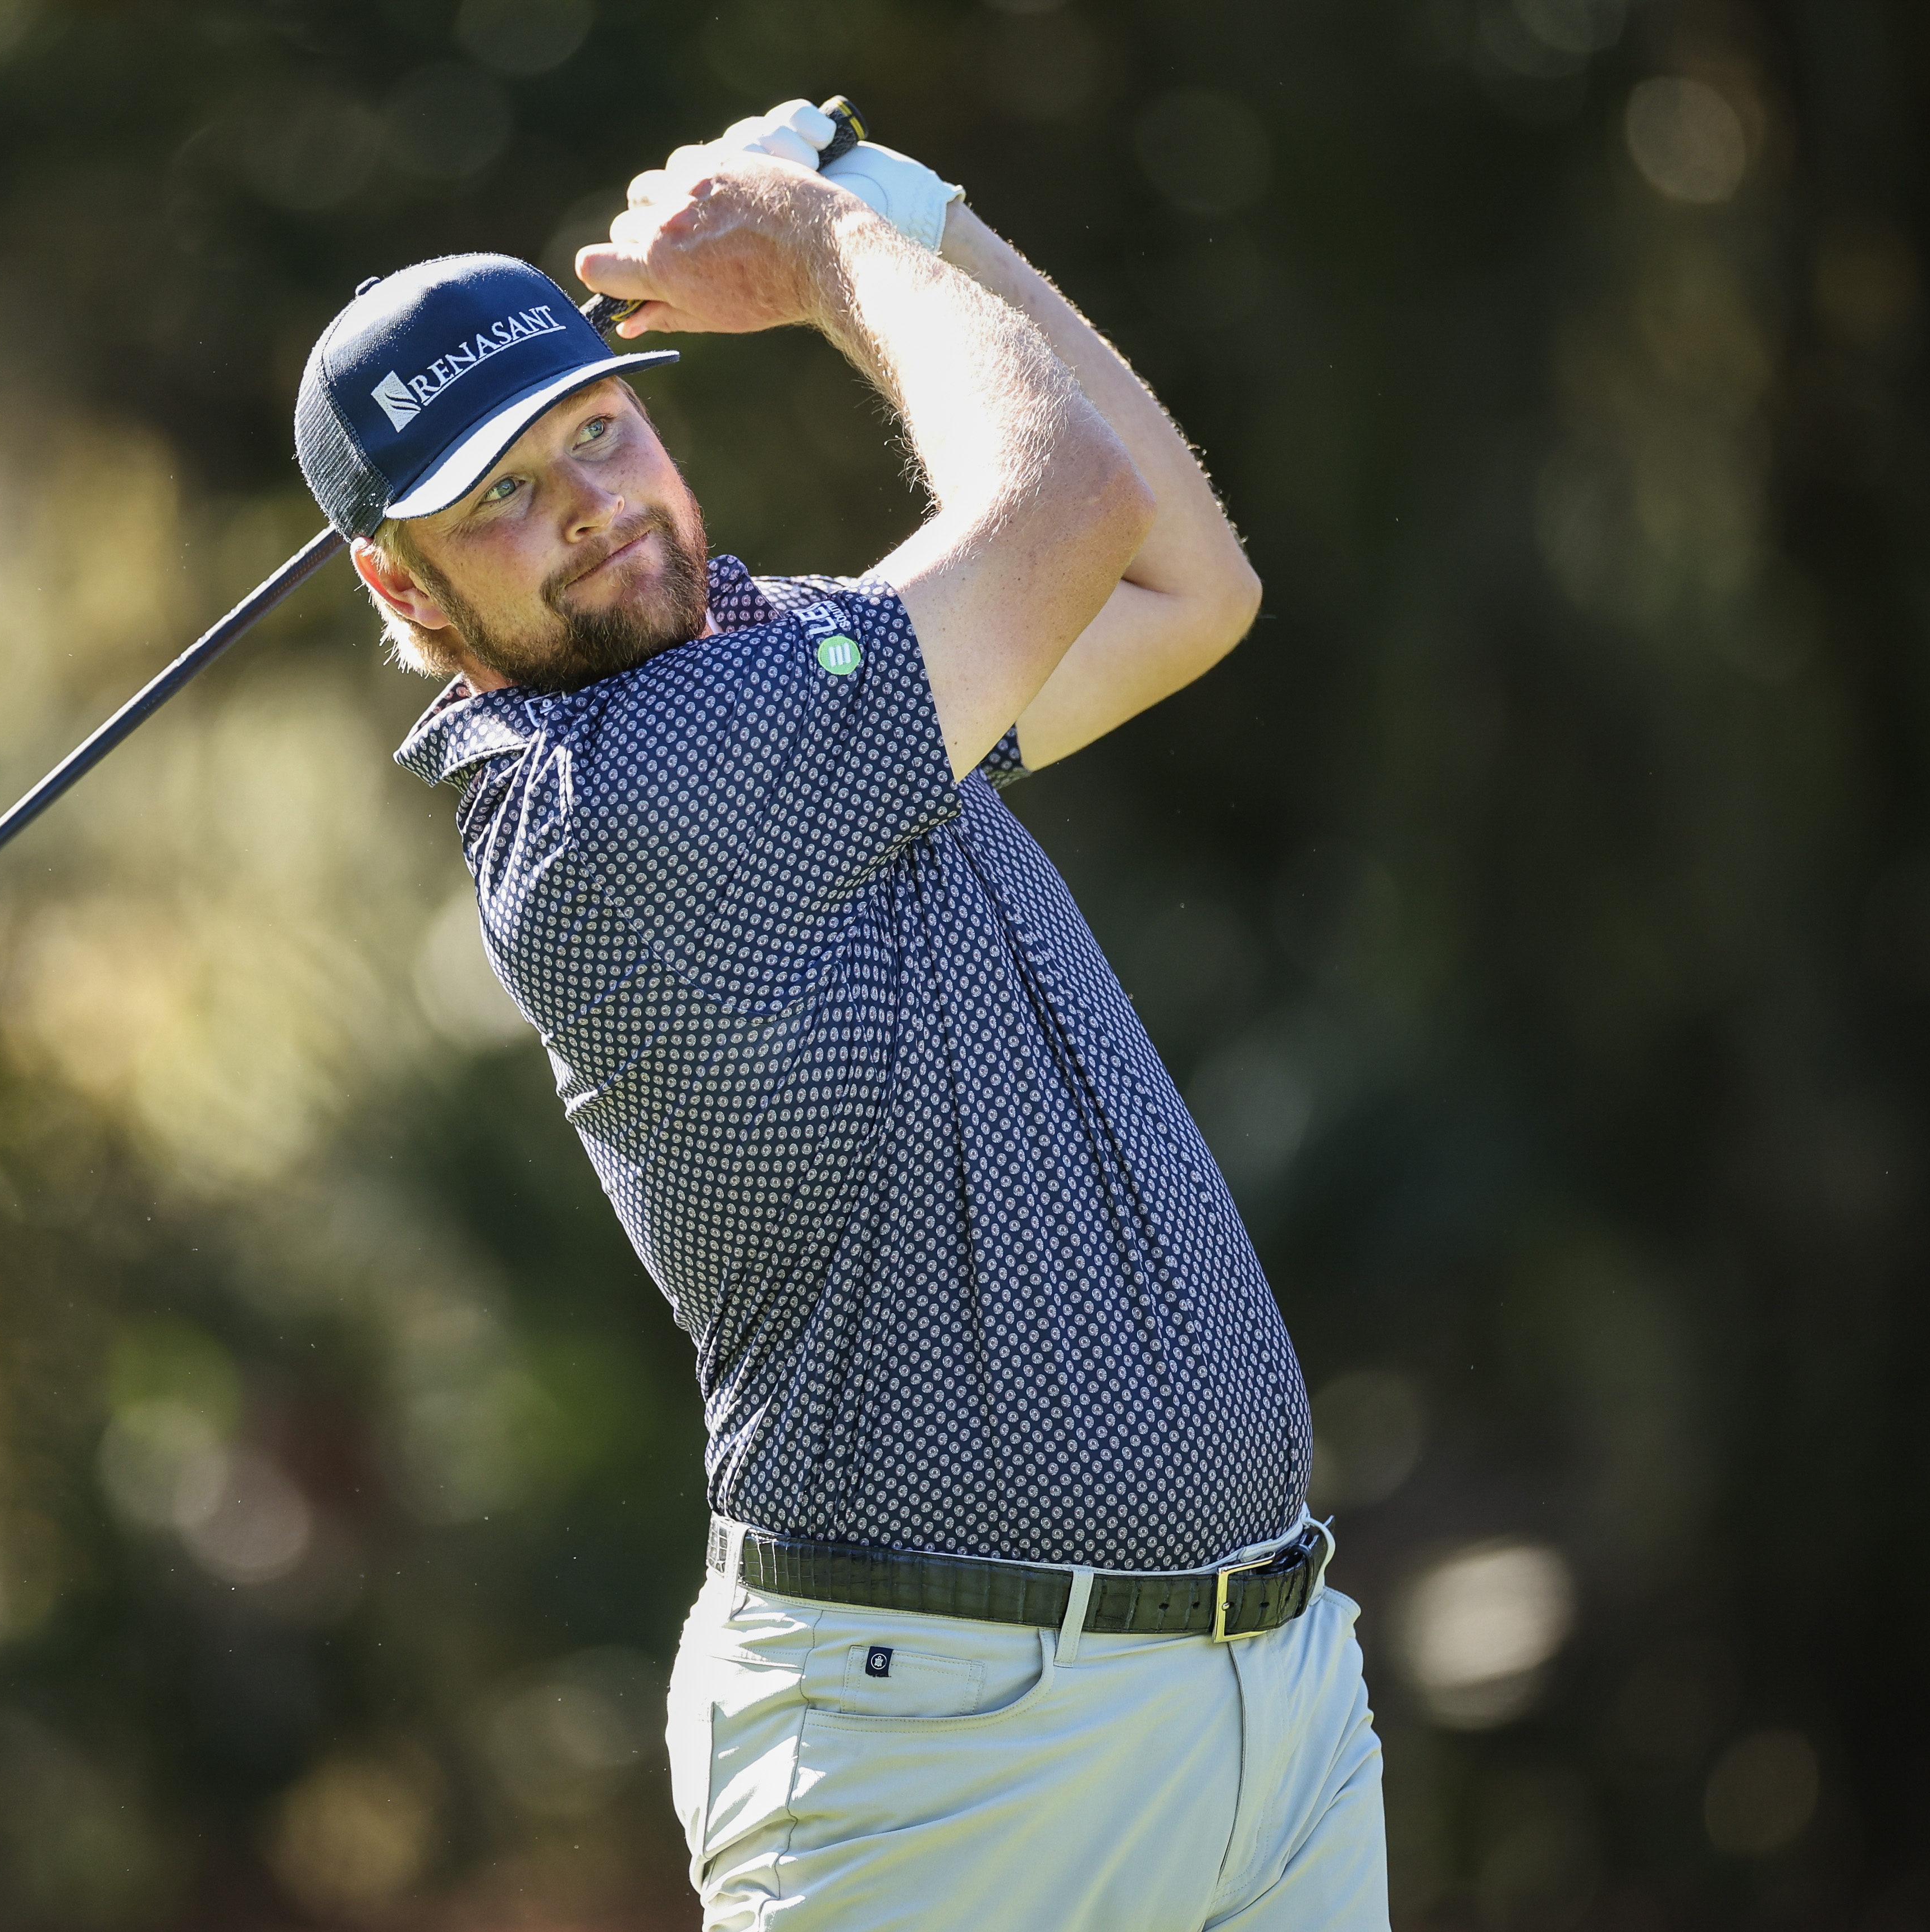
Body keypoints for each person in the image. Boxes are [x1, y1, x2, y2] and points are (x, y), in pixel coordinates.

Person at [290, 102, 1384, 1931]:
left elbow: (1184, 584)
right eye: (497, 495)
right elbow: (1066, 506)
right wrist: (826, 256)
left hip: (1260, 1691)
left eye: (594, 430)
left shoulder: (784, 664)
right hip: (951, 1758)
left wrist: (901, 206)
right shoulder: (605, 807)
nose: (585, 507)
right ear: (401, 587)